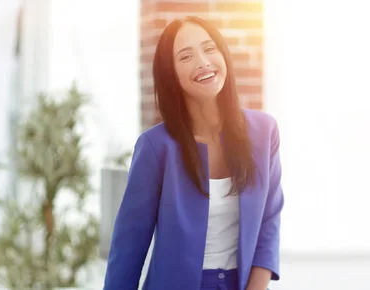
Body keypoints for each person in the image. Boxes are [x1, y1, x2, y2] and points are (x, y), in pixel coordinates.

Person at [103, 16, 284, 290]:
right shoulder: (155, 148)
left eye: (210, 49)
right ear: (171, 74)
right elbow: (128, 247)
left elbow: (269, 223)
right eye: (186, 56)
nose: (203, 62)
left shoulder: (263, 132)